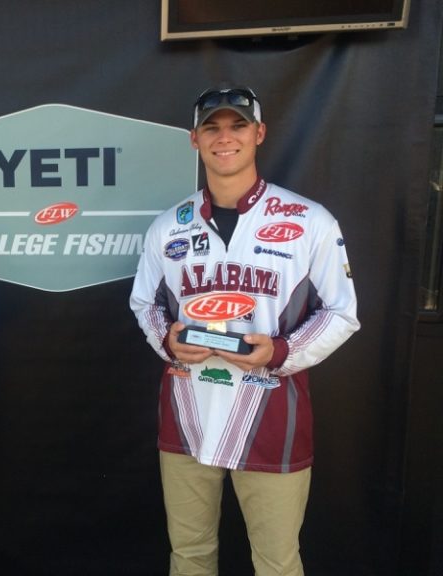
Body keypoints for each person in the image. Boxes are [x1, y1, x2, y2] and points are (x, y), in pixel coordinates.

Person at [130, 85, 360, 576]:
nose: (224, 138)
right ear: (195, 140)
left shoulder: (308, 220)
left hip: (271, 412)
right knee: (189, 556)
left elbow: (342, 312)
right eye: (212, 128)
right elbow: (144, 304)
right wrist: (167, 342)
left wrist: (280, 351)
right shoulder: (170, 226)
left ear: (259, 133)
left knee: (277, 563)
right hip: (188, 411)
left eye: (237, 126)